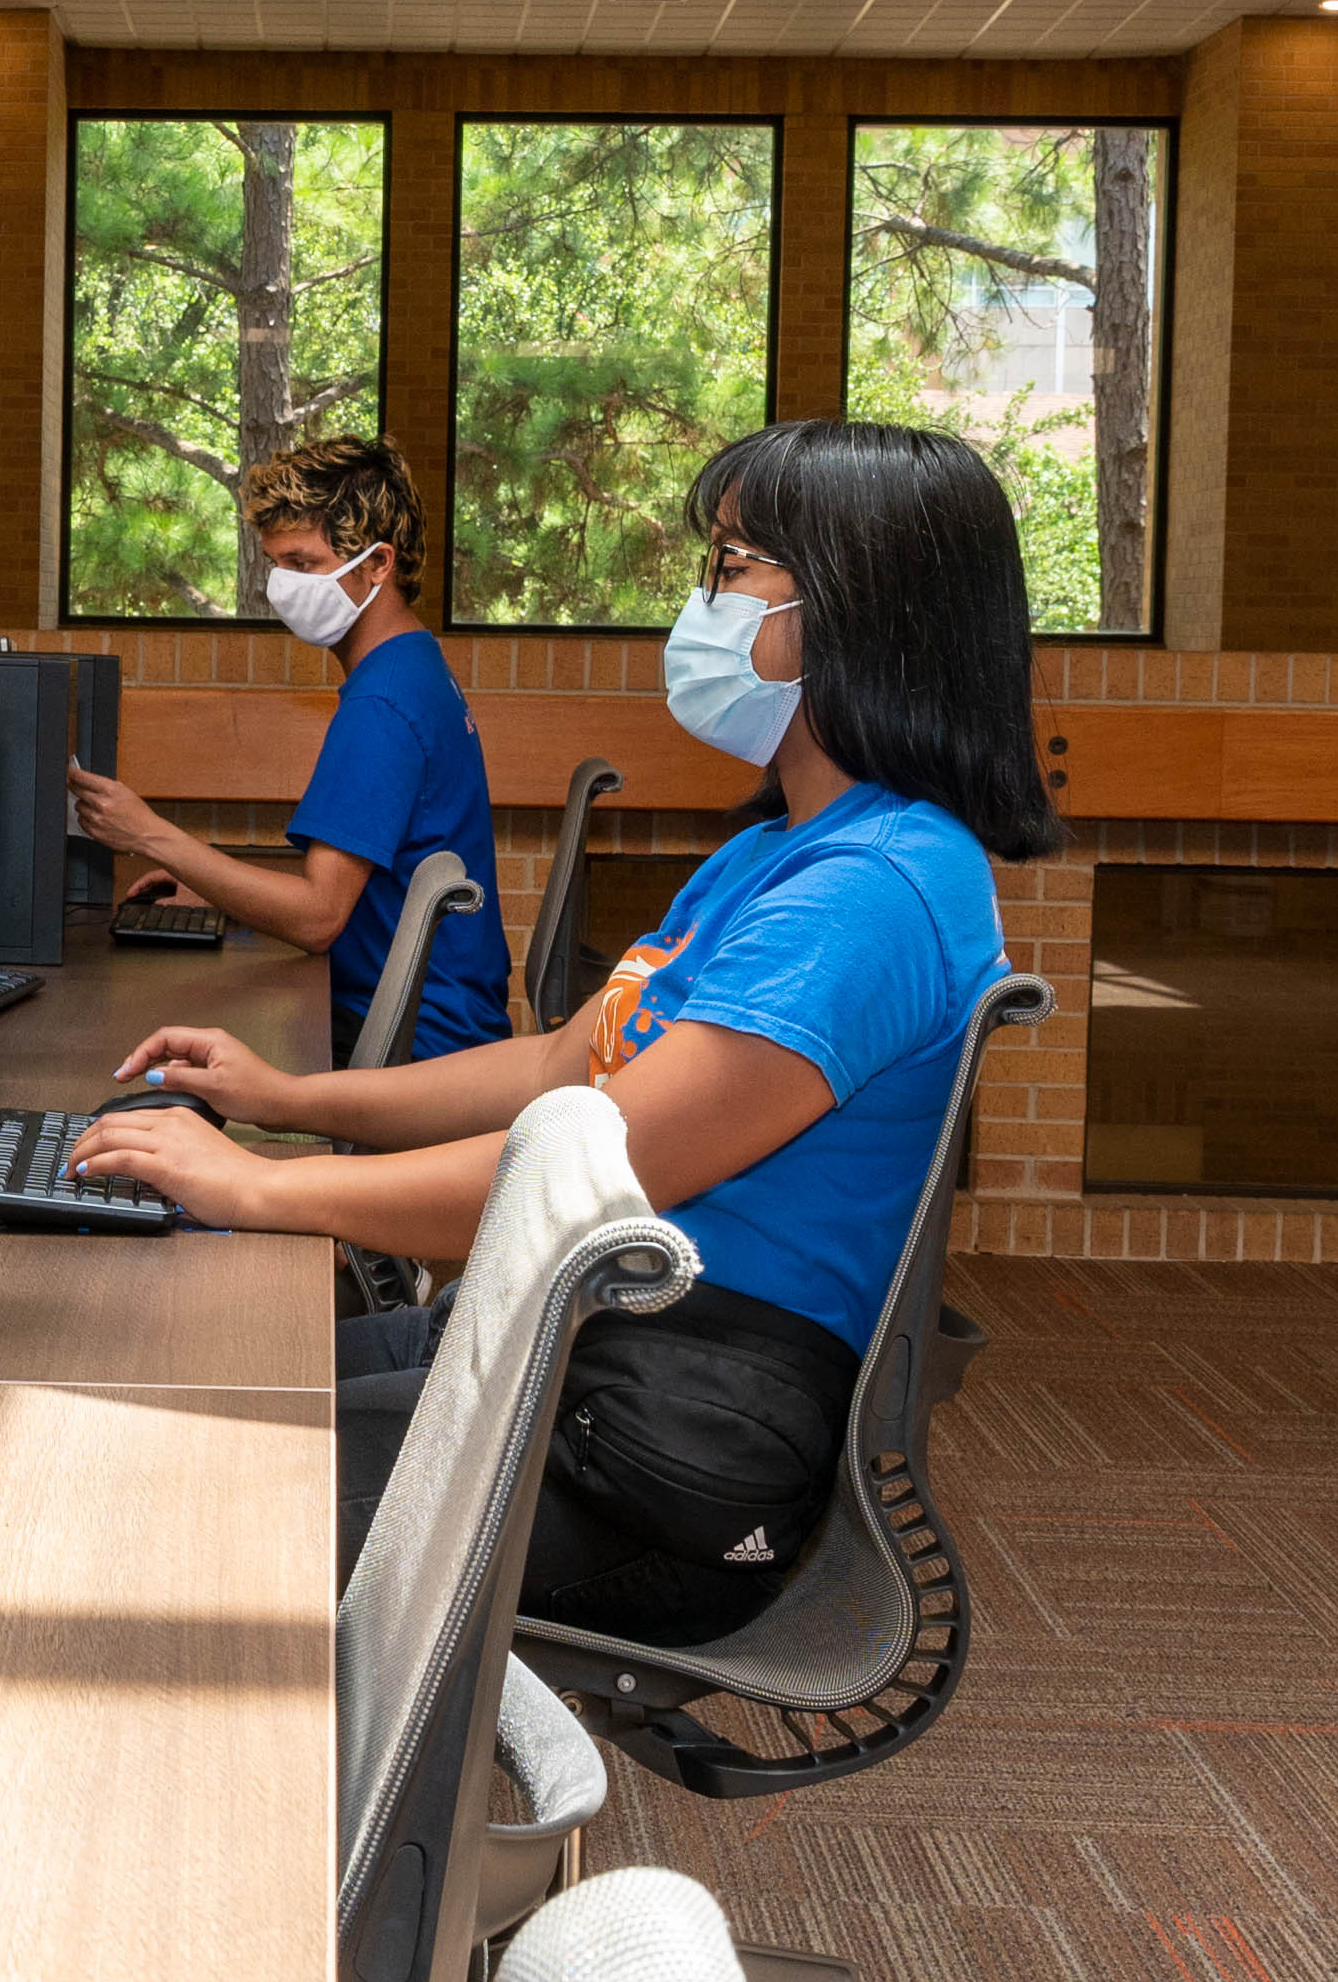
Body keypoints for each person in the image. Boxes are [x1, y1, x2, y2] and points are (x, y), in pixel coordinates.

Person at [74, 418, 1062, 1644]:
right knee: (174, 1394)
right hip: (586, 1347)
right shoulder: (775, 853)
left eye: (732, 565)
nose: (698, 601)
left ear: (855, 609)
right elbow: (557, 1068)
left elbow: (584, 1187)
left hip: (661, 1443)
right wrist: (285, 1101)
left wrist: (259, 1190)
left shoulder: (876, 889)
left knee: (151, 1504)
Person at [69, 438, 511, 1063]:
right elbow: (351, 893)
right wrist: (214, 888)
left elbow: (316, 917)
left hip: (416, 1044)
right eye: (277, 563)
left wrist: (148, 833)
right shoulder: (413, 665)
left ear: (378, 563)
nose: (284, 585)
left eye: (304, 563)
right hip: (428, 1016)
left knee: (139, 1041)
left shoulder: (381, 706)